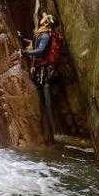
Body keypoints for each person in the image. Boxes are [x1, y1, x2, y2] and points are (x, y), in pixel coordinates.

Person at [19, 12, 64, 140]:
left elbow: (40, 50)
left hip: (44, 68)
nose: (42, 17)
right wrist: (23, 39)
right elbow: (37, 44)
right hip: (43, 67)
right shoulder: (44, 34)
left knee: (41, 94)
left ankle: (45, 128)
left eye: (45, 17)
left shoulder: (45, 35)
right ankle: (47, 128)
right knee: (41, 93)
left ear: (46, 22)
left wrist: (26, 52)